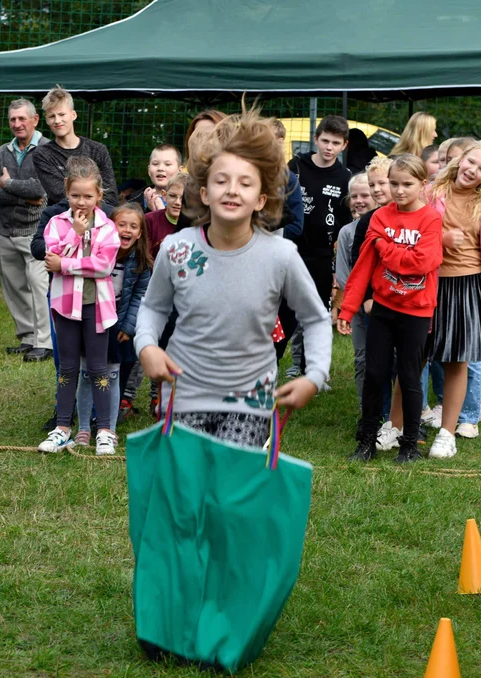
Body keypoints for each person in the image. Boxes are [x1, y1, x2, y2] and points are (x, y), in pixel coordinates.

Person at [136, 109, 330, 448]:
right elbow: (153, 308)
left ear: (261, 199)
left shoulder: (280, 256)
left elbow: (315, 318)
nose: (232, 190)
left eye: (245, 183)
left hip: (250, 402)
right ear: (204, 193)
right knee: (188, 492)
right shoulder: (175, 248)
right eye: (221, 180)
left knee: (231, 492)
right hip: (184, 394)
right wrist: (147, 346)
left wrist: (314, 376)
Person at [339, 154, 443, 463]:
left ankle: (409, 445)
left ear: (422, 185)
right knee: (374, 374)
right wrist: (347, 309)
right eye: (393, 184)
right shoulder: (380, 217)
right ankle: (367, 441)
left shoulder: (431, 219)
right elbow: (363, 267)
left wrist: (385, 246)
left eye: (407, 184)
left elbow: (421, 264)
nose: (399, 191)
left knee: (409, 377)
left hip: (416, 310)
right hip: (383, 308)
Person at [424, 141, 481, 459]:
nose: (472, 170)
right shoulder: (430, 193)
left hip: (467, 286)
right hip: (428, 283)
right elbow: (413, 231)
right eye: (470, 162)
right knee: (415, 354)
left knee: (457, 360)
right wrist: (441, 240)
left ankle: (448, 434)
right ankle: (396, 425)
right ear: (461, 159)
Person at [38, 158, 121, 456]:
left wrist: (66, 264)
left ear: (99, 196)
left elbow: (102, 266)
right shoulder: (56, 223)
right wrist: (74, 234)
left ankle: (105, 431)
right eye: (76, 196)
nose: (81, 202)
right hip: (64, 306)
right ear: (66, 193)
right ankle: (62, 428)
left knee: (98, 368)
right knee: (67, 367)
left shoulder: (108, 228)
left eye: (88, 196)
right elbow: (50, 258)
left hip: (96, 307)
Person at [283, 115, 351, 376]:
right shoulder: (296, 166)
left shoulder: (344, 176)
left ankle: (311, 368)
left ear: (344, 145)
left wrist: (336, 263)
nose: (329, 147)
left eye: (335, 142)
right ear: (315, 139)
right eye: (325, 140)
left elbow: (344, 224)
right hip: (291, 249)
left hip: (322, 254)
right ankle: (284, 360)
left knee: (317, 310)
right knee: (286, 308)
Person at [76, 202, 152, 437]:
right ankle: (85, 424)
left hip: (119, 325)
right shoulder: (97, 253)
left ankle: (107, 422)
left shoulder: (141, 263)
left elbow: (140, 297)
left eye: (133, 226)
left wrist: (128, 327)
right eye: (122, 225)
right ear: (110, 226)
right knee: (88, 371)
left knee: (114, 372)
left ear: (140, 233)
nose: (127, 230)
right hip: (92, 321)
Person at [0, 98, 52, 362]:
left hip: (35, 231)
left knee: (38, 284)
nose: (17, 124)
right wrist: (21, 195)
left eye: (22, 118)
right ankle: (27, 336)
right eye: (13, 119)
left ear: (35, 120)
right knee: (14, 286)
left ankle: (45, 342)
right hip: (6, 231)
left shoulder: (48, 149)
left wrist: (8, 184)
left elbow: (42, 189)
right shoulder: (3, 151)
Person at [33, 86, 118, 206]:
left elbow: (111, 196)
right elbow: (59, 195)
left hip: (100, 220)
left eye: (62, 114)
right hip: (61, 221)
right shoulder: (42, 154)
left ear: (73, 115)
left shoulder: (98, 150)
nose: (57, 120)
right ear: (47, 120)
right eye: (52, 116)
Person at [334, 171, 376, 402]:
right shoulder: (346, 232)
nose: (359, 200)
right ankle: (366, 406)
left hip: (384, 302)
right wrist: (357, 299)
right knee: (362, 357)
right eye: (354, 196)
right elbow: (343, 274)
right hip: (358, 305)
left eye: (365, 195)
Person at [144, 172, 191, 259]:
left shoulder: (196, 224)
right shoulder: (149, 220)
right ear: (164, 195)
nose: (177, 202)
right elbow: (146, 258)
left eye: (183, 198)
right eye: (173, 196)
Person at [131, 144, 182, 212]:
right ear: (149, 170)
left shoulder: (189, 201)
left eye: (167, 164)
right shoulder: (133, 201)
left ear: (180, 171)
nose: (160, 168)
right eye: (155, 164)